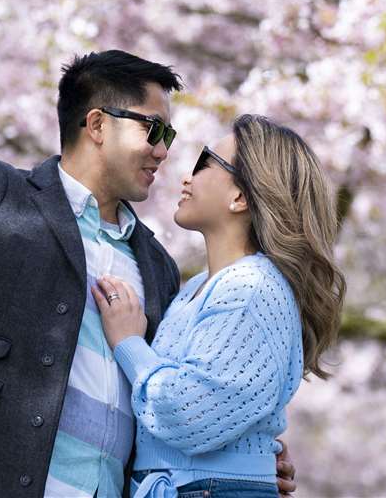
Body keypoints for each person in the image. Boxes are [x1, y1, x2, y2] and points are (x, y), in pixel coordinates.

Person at [0, 42, 297, 498]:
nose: (163, 152)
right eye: (154, 130)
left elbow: (165, 389)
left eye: (169, 137)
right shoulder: (3, 199)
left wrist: (245, 462)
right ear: (97, 124)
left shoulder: (156, 264)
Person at [91, 114, 345, 498]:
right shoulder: (199, 288)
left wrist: (129, 343)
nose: (187, 178)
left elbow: (191, 414)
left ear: (240, 197)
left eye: (205, 163)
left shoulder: (250, 288)